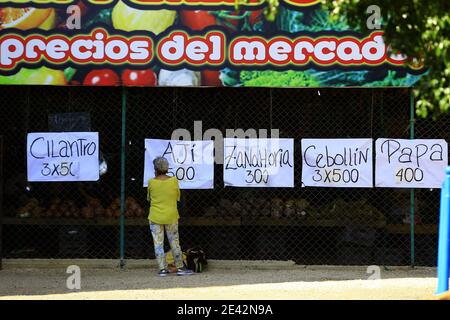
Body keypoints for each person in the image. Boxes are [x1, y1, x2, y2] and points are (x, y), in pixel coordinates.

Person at [147, 156, 193, 277]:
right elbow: (177, 197)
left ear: (155, 169)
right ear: (167, 168)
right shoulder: (174, 181)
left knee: (158, 243)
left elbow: (149, 198)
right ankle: (180, 267)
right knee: (174, 242)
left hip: (155, 216)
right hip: (171, 216)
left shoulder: (151, 182)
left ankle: (162, 269)